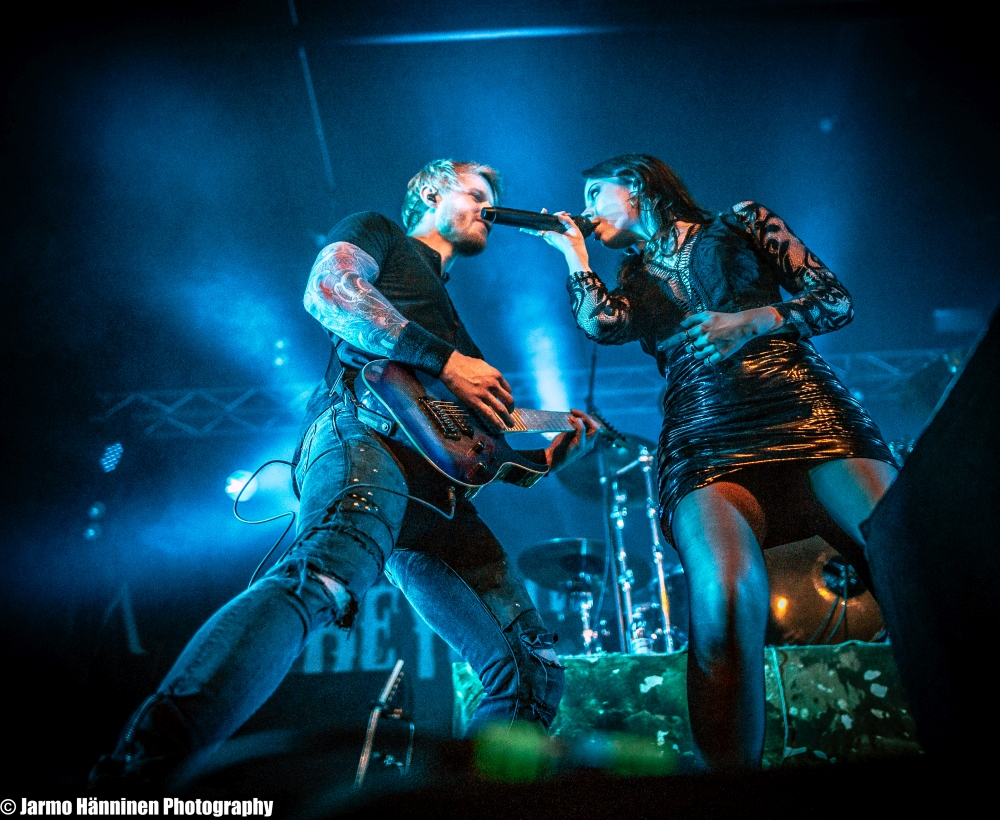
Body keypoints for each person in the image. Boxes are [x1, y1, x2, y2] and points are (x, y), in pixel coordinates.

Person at [90, 158, 598, 789]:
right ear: (430, 192)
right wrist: (447, 361)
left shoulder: (448, 314)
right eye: (476, 193)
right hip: (364, 434)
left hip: (436, 492)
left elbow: (477, 447)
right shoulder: (380, 231)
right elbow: (329, 290)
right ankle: (137, 776)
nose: (488, 208)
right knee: (326, 575)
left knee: (532, 670)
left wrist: (546, 457)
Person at [527, 153, 897, 771]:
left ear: (637, 184)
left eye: (595, 192)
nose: (586, 208)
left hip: (802, 405)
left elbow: (834, 301)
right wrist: (573, 254)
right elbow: (601, 324)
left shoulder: (742, 221)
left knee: (904, 554)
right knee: (724, 599)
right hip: (704, 432)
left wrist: (752, 320)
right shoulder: (633, 278)